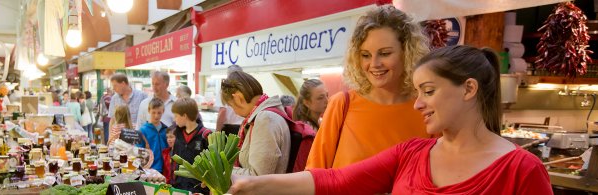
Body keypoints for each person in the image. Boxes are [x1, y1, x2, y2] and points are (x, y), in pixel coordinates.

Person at [227, 45, 553, 195]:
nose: (418, 104)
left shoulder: (521, 171)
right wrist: (254, 185)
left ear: (468, 89)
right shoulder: (410, 154)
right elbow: (335, 181)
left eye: (428, 91)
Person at [306, 5, 432, 169]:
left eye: (385, 53)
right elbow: (315, 175)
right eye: (365, 55)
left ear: (407, 52)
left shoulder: (427, 110)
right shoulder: (342, 105)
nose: (374, 64)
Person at [221, 71, 290, 176]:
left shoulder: (265, 119)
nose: (234, 111)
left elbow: (257, 176)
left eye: (231, 106)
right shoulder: (264, 116)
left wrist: (220, 173)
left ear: (238, 98)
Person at [170, 98, 211, 194]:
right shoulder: (177, 133)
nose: (174, 119)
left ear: (184, 115)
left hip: (198, 189)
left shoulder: (205, 135)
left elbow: (211, 165)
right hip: (179, 186)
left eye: (176, 116)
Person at [135, 98, 168, 173]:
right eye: (153, 112)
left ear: (163, 111)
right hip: (150, 169)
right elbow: (138, 152)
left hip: (166, 169)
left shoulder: (166, 130)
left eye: (159, 113)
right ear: (149, 111)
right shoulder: (142, 131)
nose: (156, 116)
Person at [216, 65, 245, 135]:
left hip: (229, 128)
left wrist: (217, 131)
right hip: (244, 126)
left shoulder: (225, 89)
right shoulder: (245, 89)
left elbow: (222, 111)